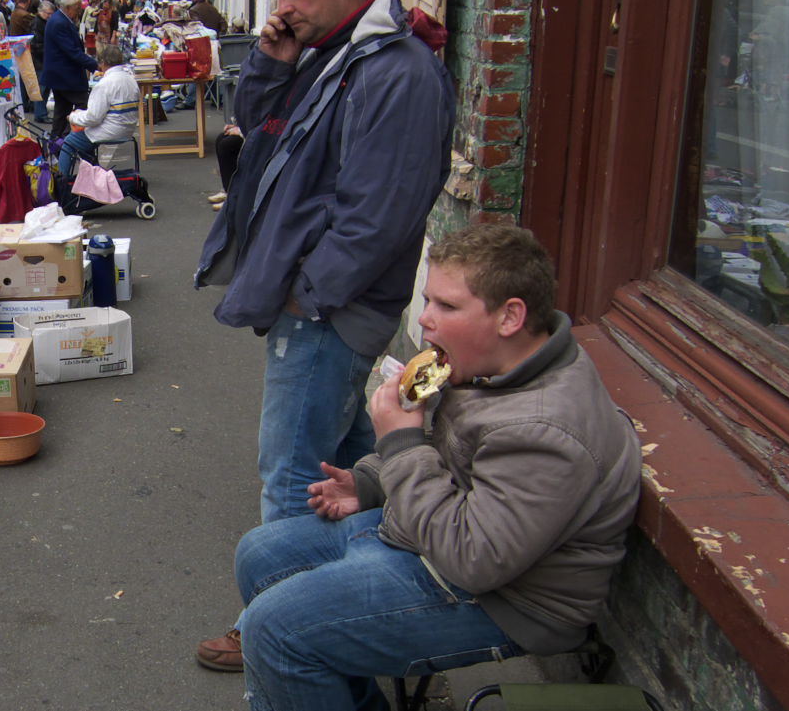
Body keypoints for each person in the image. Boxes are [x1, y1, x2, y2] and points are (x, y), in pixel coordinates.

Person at [234, 224, 642, 711]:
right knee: (261, 552)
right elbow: (450, 457)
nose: (424, 320)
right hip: (437, 536)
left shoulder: (546, 429)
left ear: (510, 315)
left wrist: (400, 441)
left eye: (446, 307)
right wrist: (370, 480)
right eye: (427, 300)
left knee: (275, 630)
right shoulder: (488, 366)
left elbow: (473, 559)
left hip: (508, 599)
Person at [191, 0, 454, 672]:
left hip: (329, 308)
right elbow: (258, 141)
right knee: (345, 469)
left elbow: (383, 208)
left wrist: (311, 293)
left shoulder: (394, 68)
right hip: (312, 297)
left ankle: (276, 625)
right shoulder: (327, 55)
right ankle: (358, 604)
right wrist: (273, 64)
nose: (287, 7)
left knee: (293, 472)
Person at [55, 45, 138, 180]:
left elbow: (93, 118)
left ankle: (61, 181)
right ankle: (94, 174)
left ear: (103, 62)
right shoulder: (131, 80)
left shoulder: (104, 84)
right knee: (83, 139)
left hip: (112, 130)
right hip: (127, 127)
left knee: (70, 141)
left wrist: (74, 117)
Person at [41, 0, 101, 139]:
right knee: (84, 103)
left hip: (61, 76)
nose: (79, 12)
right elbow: (71, 51)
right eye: (77, 9)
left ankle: (57, 142)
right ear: (68, 8)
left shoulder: (60, 20)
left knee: (62, 111)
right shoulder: (59, 23)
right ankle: (73, 138)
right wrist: (95, 65)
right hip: (65, 76)